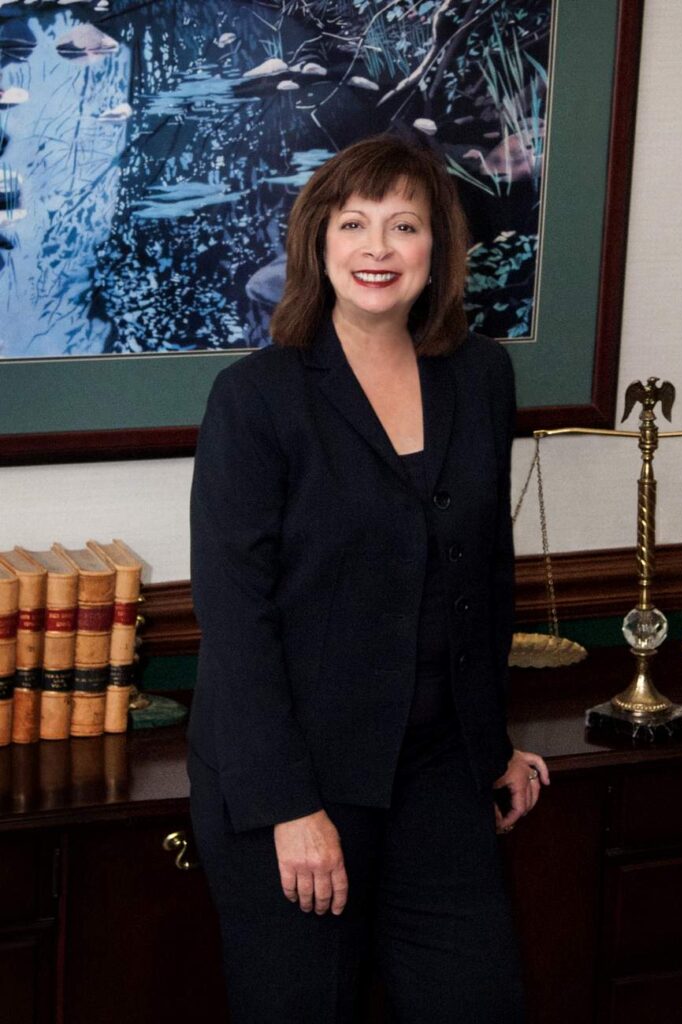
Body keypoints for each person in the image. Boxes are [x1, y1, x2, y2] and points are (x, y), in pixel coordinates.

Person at [188, 133, 549, 1024]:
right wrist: (289, 808)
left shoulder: (482, 376)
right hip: (298, 781)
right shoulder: (255, 398)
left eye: (404, 225)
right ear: (319, 243)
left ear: (438, 249)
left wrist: (492, 743)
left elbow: (483, 574)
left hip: (438, 771)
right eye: (353, 223)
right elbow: (236, 619)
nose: (377, 248)